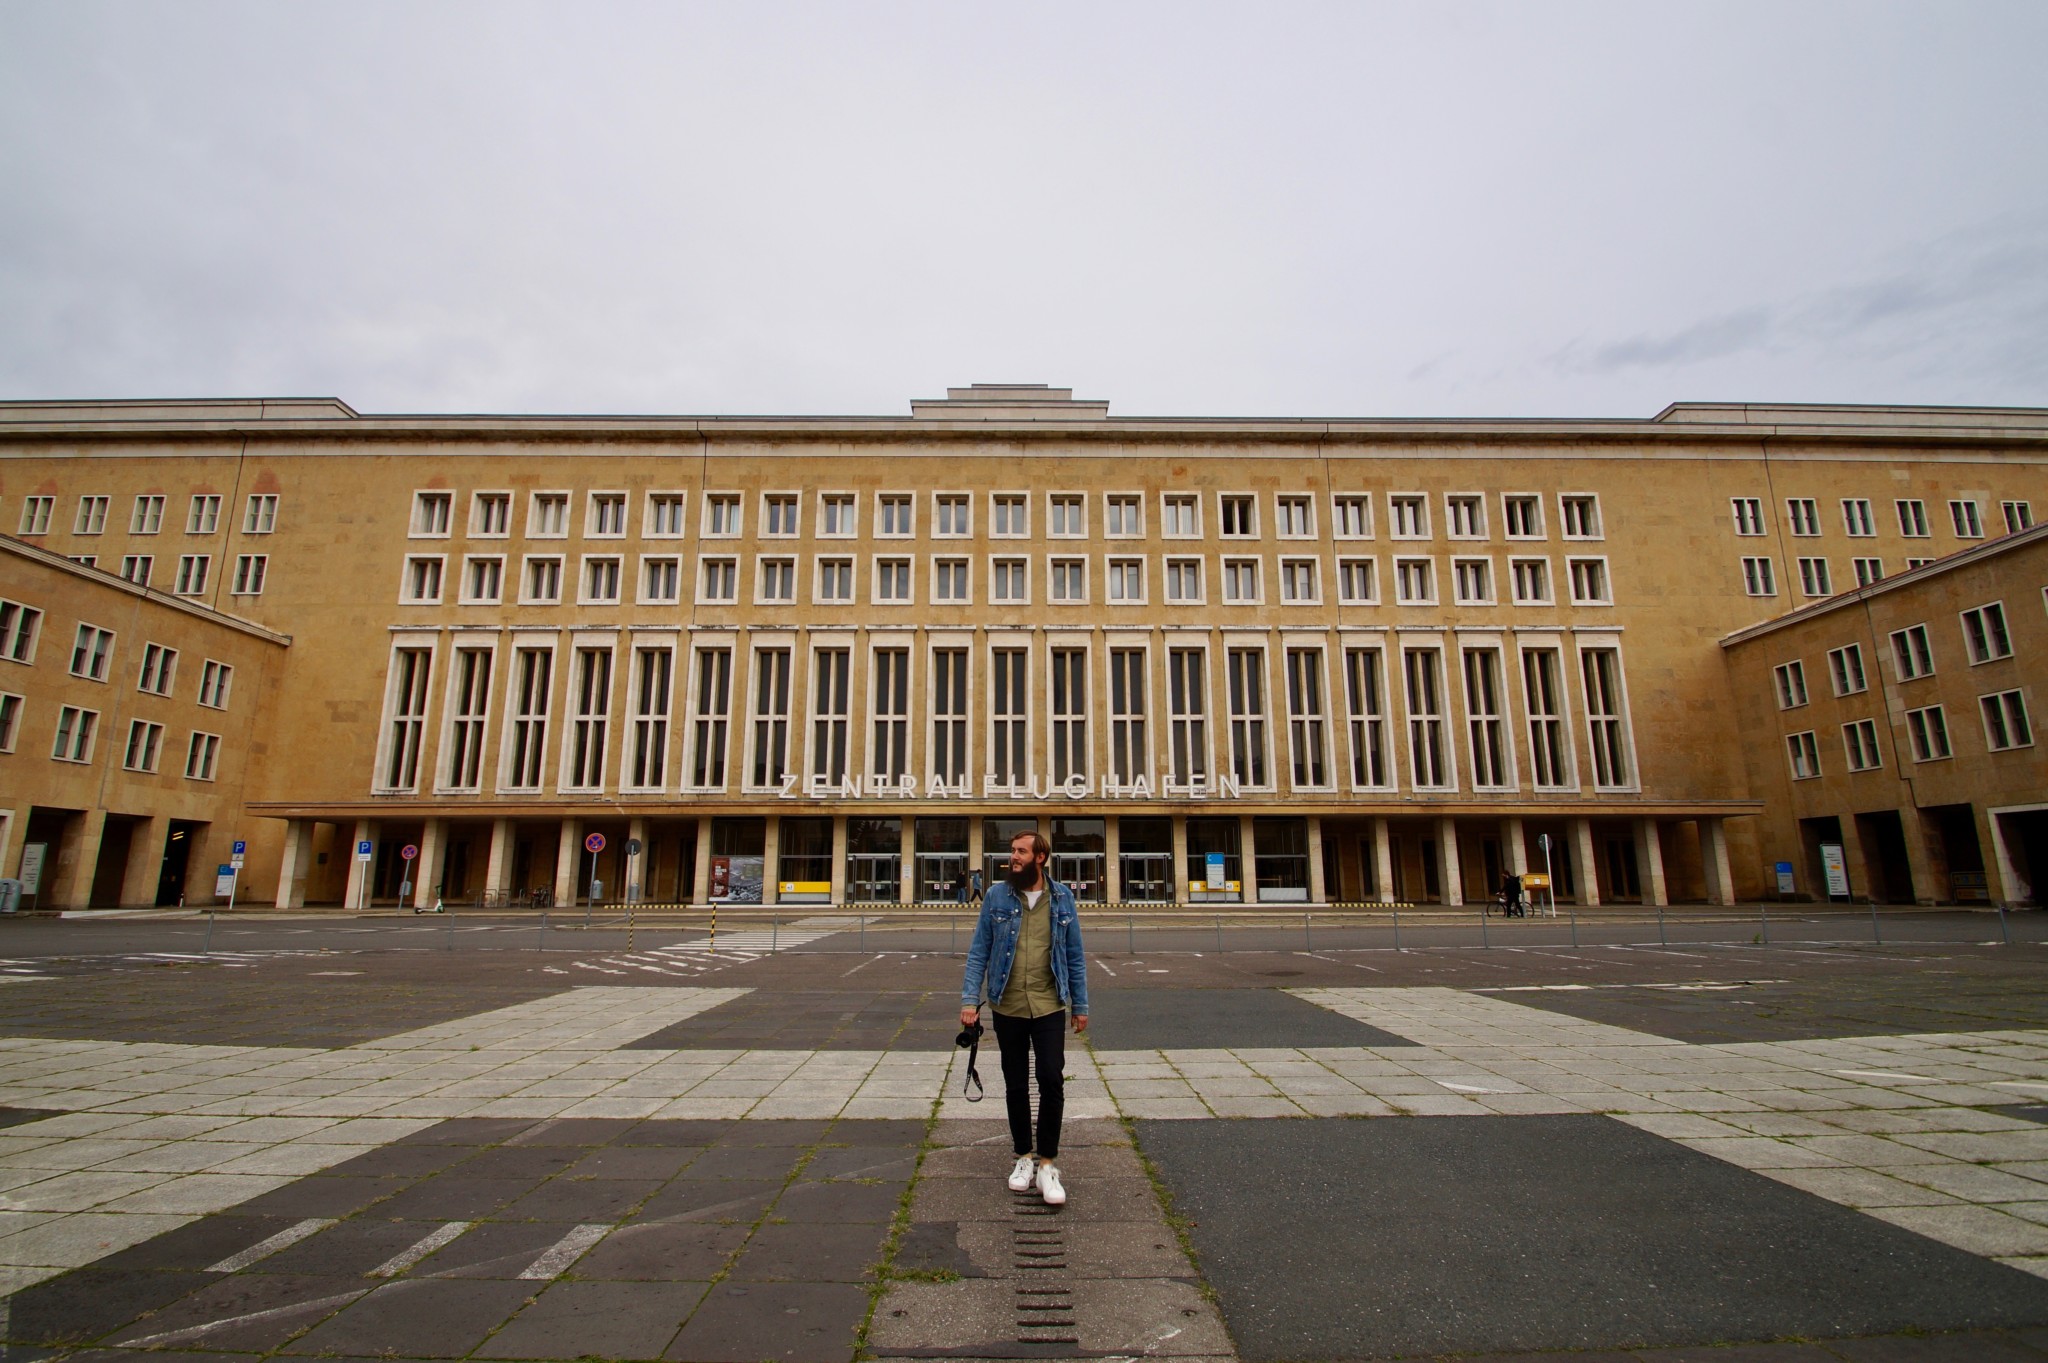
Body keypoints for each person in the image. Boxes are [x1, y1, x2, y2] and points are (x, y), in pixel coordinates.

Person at [960, 831, 1088, 1206]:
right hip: (1008, 1006)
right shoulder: (998, 896)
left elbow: (1075, 957)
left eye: (1020, 852)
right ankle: (1023, 1157)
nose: (1013, 857)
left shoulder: (1063, 898)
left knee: (1051, 1078)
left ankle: (1048, 1163)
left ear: (1040, 857)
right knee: (1015, 1084)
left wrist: (1080, 1006)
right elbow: (978, 951)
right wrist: (970, 1001)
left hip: (1049, 1005)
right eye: (1012, 851)